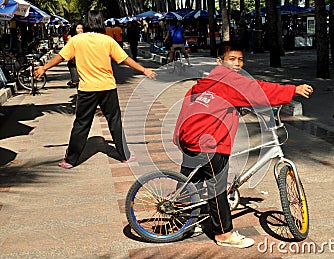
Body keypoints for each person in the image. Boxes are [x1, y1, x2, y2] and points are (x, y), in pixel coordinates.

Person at [173, 41, 313, 248]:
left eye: (240, 59)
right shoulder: (230, 81)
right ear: (220, 61)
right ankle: (223, 234)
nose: (237, 64)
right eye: (231, 59)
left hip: (190, 136)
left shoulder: (210, 80)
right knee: (217, 187)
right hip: (208, 141)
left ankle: (181, 217)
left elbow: (208, 101)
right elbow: (259, 90)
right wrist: (293, 89)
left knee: (190, 181)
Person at [34, 10, 157, 169]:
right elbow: (125, 59)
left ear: (86, 23)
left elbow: (61, 57)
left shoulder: (77, 40)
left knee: (81, 123)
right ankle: (125, 156)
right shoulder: (107, 40)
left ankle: (70, 160)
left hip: (87, 89)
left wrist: (44, 67)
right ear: (100, 22)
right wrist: (144, 70)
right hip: (107, 87)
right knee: (114, 122)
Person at [66, 22, 85, 88]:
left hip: (84, 61)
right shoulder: (71, 38)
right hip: (74, 61)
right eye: (78, 28)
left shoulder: (86, 37)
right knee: (76, 81)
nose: (80, 30)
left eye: (82, 28)